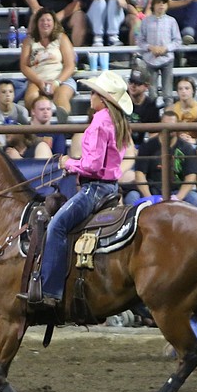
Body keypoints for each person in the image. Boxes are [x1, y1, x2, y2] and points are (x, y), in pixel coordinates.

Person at [29, 70, 132, 307]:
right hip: (111, 188)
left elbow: (92, 165)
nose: (90, 96)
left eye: (95, 93)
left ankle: (51, 292)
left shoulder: (99, 121)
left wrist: (68, 163)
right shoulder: (118, 122)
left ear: (103, 99)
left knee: (56, 227)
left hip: (94, 189)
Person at [127, 108, 197, 207]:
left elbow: (191, 176)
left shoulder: (187, 148)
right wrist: (149, 197)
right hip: (152, 190)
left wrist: (178, 197)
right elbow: (140, 174)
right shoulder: (147, 146)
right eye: (165, 124)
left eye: (172, 125)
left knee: (195, 199)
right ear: (160, 124)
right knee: (132, 196)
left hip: (176, 191)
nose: (169, 128)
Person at [19, 8, 77, 119]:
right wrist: (39, 82)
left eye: (48, 20)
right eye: (42, 20)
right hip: (37, 79)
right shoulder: (28, 41)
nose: (45, 23)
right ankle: (33, 122)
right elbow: (24, 66)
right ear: (37, 23)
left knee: (61, 96)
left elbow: (70, 65)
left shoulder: (62, 38)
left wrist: (56, 82)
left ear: (54, 23)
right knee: (31, 96)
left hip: (61, 79)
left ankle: (63, 120)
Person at [135, 0, 182, 100]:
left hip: (167, 59)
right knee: (152, 93)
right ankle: (153, 115)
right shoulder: (146, 21)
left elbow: (177, 41)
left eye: (164, 3)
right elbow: (140, 40)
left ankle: (169, 115)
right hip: (150, 59)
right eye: (158, 2)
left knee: (167, 93)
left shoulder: (172, 21)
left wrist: (166, 48)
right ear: (153, 4)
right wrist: (150, 47)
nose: (161, 5)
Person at [0, 79, 30, 147]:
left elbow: (25, 137)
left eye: (10, 92)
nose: (8, 95)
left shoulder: (22, 111)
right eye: (3, 92)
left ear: (14, 95)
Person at [125, 68, 160, 145]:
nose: (133, 86)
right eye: (131, 82)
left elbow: (154, 134)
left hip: (138, 146)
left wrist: (145, 149)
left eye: (137, 83)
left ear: (146, 86)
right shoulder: (120, 99)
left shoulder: (151, 106)